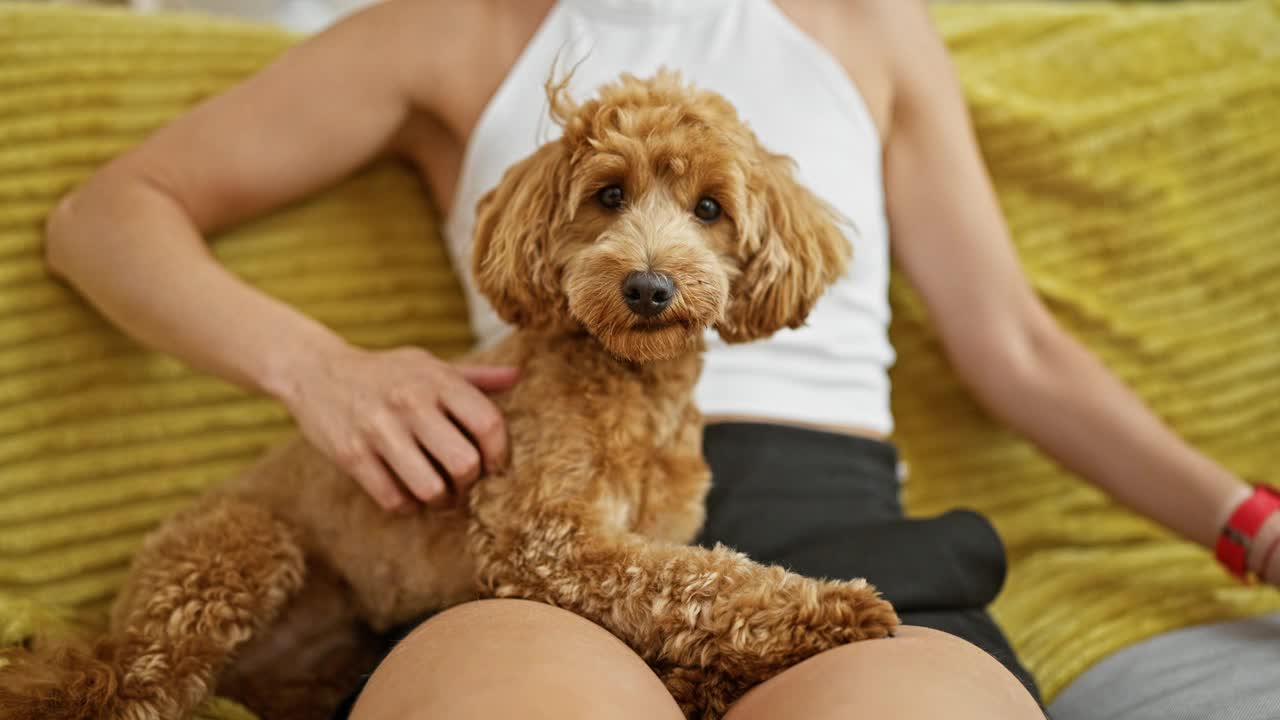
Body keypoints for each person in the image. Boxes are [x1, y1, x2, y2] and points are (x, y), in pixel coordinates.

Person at [42, 1, 1279, 718]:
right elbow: (107, 212)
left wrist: (1249, 524)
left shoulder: (869, 24)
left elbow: (1014, 349)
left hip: (826, 526)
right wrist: (321, 370)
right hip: (526, 542)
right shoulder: (448, 30)